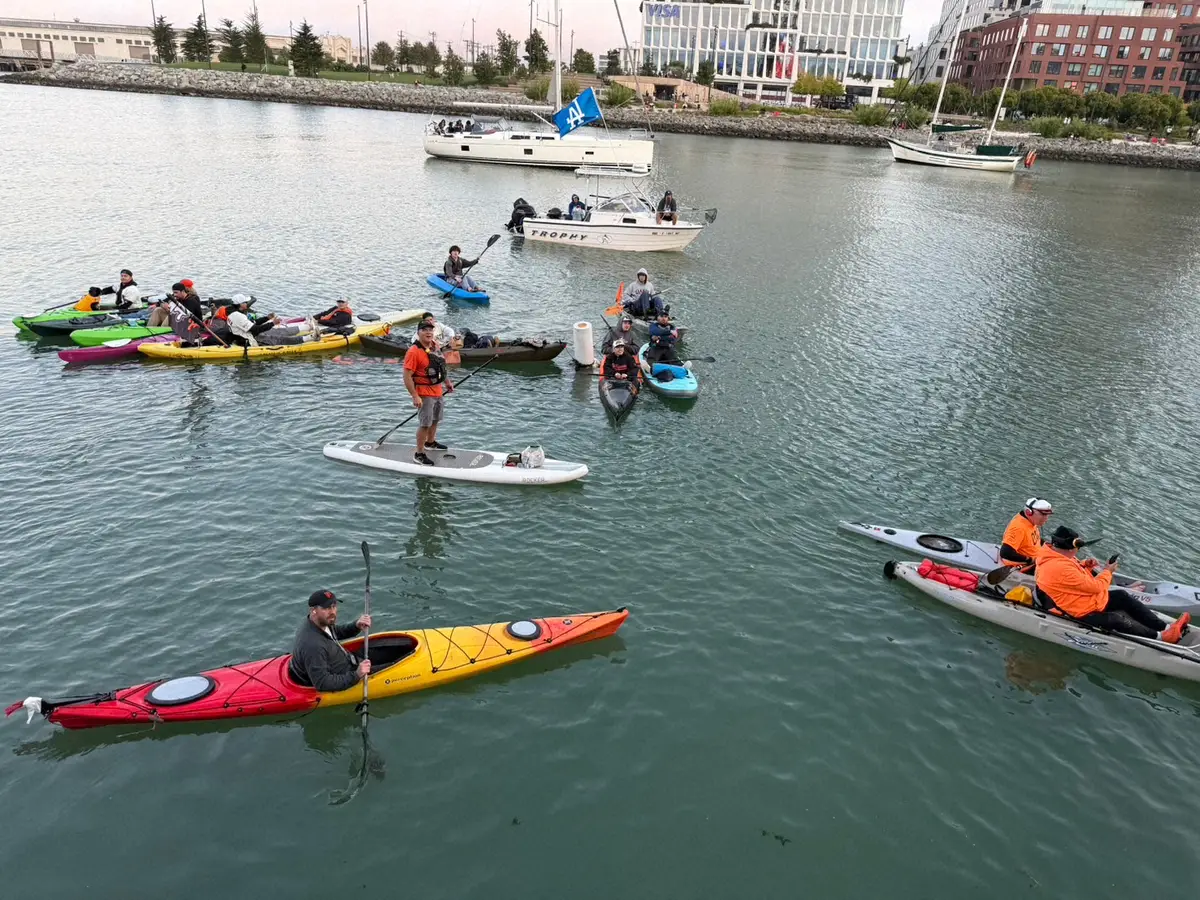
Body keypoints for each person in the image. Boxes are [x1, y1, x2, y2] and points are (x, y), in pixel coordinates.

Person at [1035, 526, 1190, 643]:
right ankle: (1161, 637)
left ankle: (1165, 627)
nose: (1077, 551)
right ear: (1070, 547)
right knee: (1115, 619)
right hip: (1081, 612)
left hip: (1087, 601)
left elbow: (1070, 575)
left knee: (1121, 596)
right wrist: (1108, 571)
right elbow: (1097, 587)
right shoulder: (1059, 566)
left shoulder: (1055, 554)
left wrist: (1084, 565)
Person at [287, 589, 372, 691]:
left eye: (334, 606)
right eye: (327, 608)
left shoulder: (318, 622)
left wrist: (356, 626)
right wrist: (357, 675)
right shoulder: (313, 645)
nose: (332, 612)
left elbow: (334, 633)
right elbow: (323, 684)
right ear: (313, 610)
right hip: (344, 675)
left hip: (347, 660)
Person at [403, 320, 454, 466]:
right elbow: (407, 375)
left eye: (431, 330)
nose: (428, 332)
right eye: (424, 330)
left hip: (437, 390)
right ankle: (419, 453)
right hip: (423, 392)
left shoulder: (435, 346)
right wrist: (414, 395)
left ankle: (430, 443)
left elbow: (441, 367)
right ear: (418, 333)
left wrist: (447, 383)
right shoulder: (413, 352)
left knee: (436, 419)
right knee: (425, 423)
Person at [999, 498, 1052, 568]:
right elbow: (1005, 552)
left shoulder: (1031, 521)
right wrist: (1029, 560)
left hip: (1036, 559)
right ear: (1029, 512)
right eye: (1043, 514)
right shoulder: (1018, 528)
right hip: (1023, 566)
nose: (1046, 518)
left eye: (1048, 515)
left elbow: (1033, 540)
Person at [167, 281, 205, 346]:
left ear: (182, 292)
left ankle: (165, 333)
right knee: (158, 310)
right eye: (173, 292)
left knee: (171, 315)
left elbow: (186, 317)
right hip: (181, 321)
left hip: (193, 324)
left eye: (176, 293)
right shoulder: (178, 298)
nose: (174, 295)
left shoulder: (191, 301)